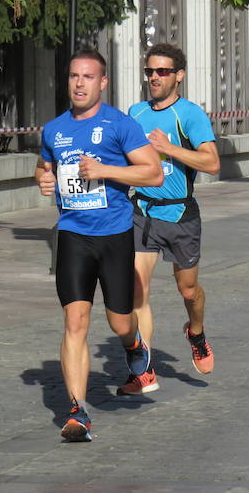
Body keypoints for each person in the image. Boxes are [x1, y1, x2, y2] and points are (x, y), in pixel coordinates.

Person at [36, 49, 163, 441]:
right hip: (73, 234)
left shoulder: (119, 125)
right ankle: (78, 411)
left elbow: (154, 174)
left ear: (102, 82)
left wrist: (106, 169)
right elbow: (45, 167)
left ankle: (134, 344)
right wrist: (43, 180)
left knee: (119, 320)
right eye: (74, 76)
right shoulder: (53, 129)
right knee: (75, 322)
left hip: (114, 234)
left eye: (88, 77)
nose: (79, 83)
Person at [117, 43, 220, 395]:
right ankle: (144, 370)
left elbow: (212, 163)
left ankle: (196, 332)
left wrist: (169, 148)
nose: (155, 78)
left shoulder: (190, 115)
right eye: (150, 71)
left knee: (188, 290)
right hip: (143, 211)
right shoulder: (135, 112)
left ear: (179, 76)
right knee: (136, 290)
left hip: (180, 213)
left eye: (162, 71)